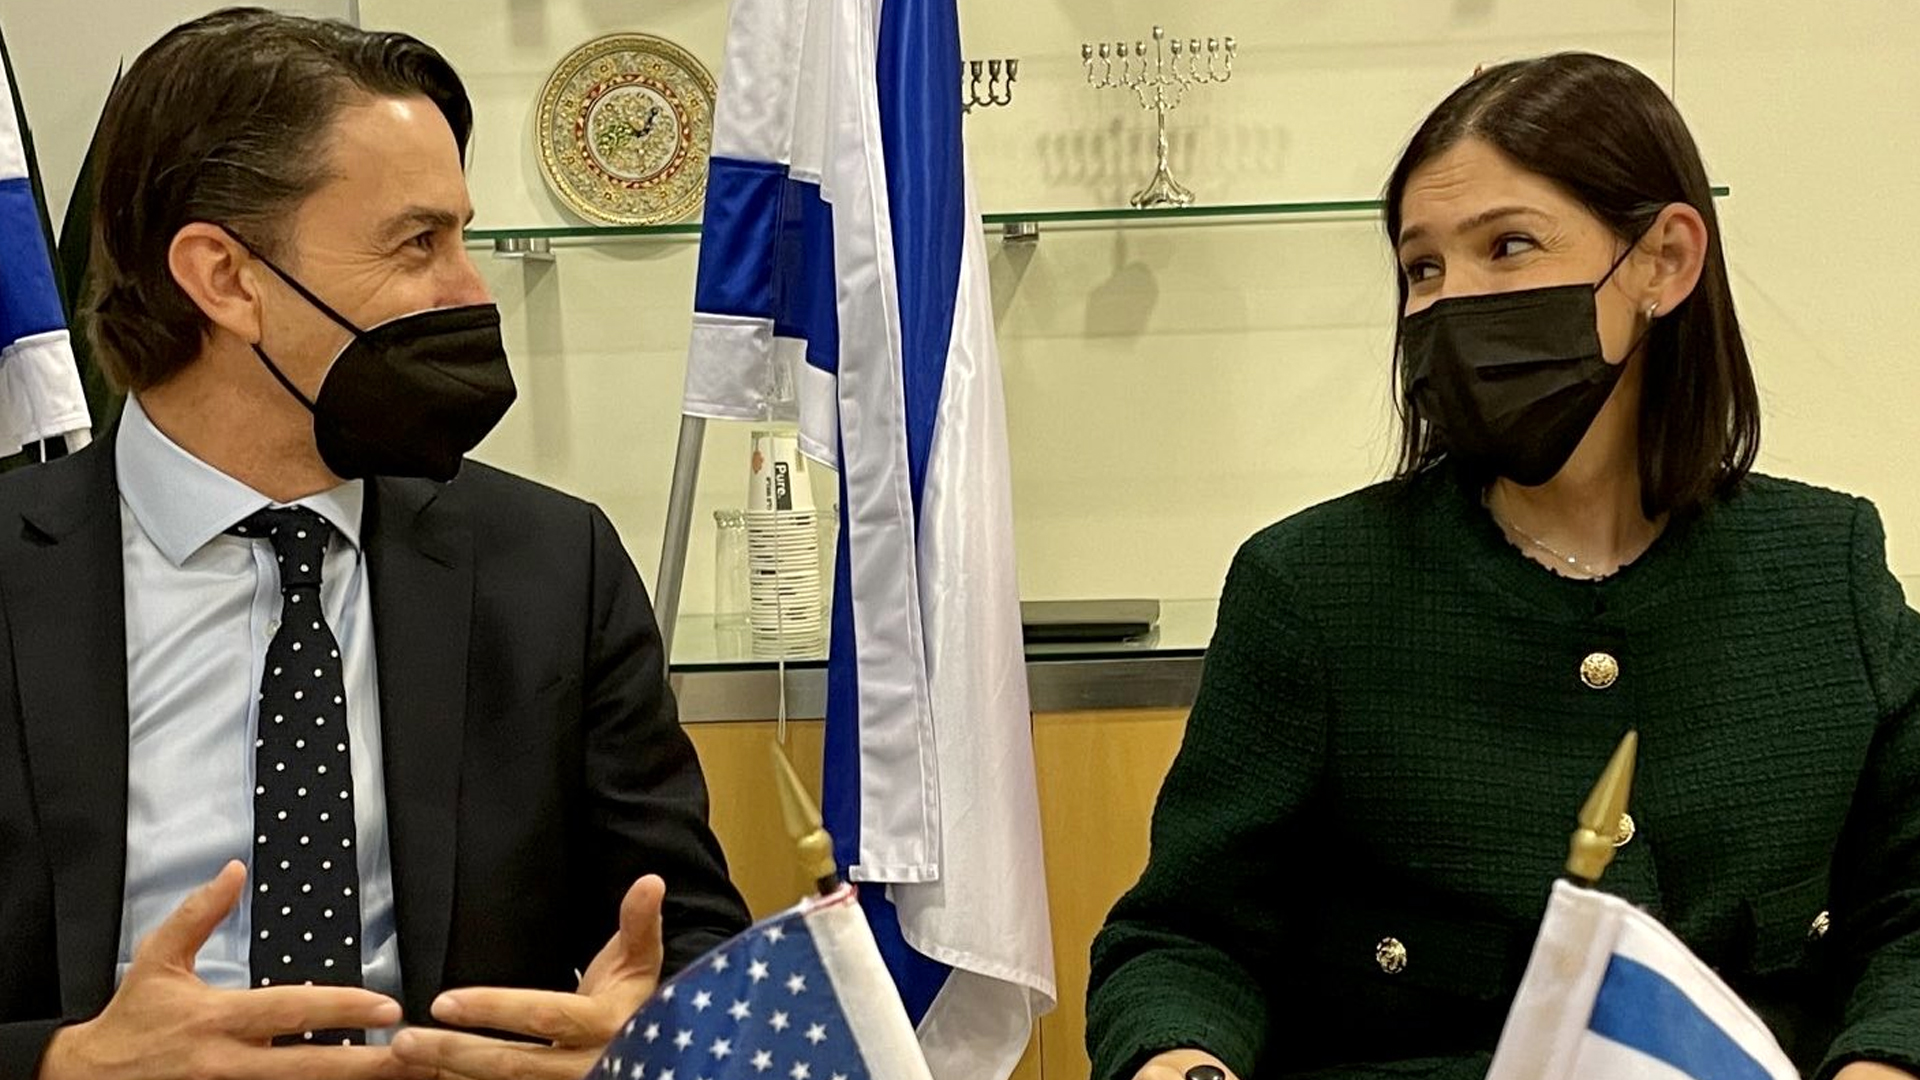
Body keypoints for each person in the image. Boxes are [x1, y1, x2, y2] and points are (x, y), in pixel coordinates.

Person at [1085, 52, 1920, 1080]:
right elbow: (1184, 942)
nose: (1452, 302)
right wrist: (1178, 1060)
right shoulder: (1312, 588)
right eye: (1423, 267)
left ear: (1664, 261)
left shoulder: (1827, 566)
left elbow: (1911, 915)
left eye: (1508, 247)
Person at [0, 10, 752, 1079]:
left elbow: (693, 947)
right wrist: (66, 1062)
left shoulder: (551, 569)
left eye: (464, 238)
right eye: (418, 244)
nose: (471, 294)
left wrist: (649, 1038)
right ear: (225, 278)